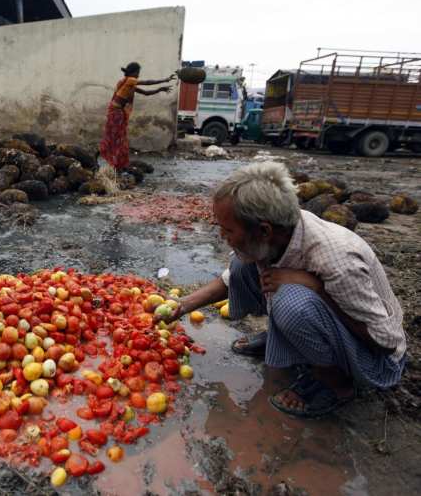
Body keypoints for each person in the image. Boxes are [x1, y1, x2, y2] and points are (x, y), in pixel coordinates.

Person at [166, 161, 406, 418]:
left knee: (293, 305)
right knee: (242, 265)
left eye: (227, 230)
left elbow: (385, 343)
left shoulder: (337, 260)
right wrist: (181, 306)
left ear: (264, 230)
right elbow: (230, 279)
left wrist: (316, 287)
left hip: (375, 360)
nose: (222, 237)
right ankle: (283, 338)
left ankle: (337, 385)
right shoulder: (283, 230)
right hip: (332, 319)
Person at [99, 62, 174, 170]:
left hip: (116, 111)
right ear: (133, 72)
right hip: (116, 112)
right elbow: (147, 83)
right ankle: (110, 157)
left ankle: (117, 163)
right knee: (117, 138)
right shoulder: (130, 80)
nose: (138, 75)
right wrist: (165, 80)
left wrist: (160, 89)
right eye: (138, 73)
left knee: (117, 137)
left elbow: (145, 93)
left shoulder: (127, 83)